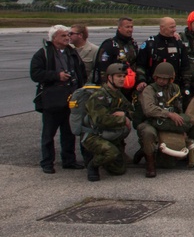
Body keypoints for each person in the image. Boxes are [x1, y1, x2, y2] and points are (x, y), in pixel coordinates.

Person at [30, 25, 86, 174]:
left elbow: (80, 70)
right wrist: (56, 76)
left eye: (68, 35)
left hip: (71, 97)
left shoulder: (71, 52)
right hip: (52, 99)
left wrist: (81, 89)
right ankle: (47, 162)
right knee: (49, 133)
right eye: (63, 36)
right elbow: (35, 74)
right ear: (54, 38)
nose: (67, 38)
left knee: (69, 132)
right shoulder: (43, 54)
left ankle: (69, 160)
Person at [136, 62, 191, 177]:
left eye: (165, 78)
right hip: (151, 121)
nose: (161, 81)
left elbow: (178, 109)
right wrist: (169, 114)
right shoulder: (149, 90)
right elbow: (149, 110)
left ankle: (151, 152)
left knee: (168, 164)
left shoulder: (175, 89)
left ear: (171, 79)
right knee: (148, 133)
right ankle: (150, 164)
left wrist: (182, 128)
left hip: (167, 122)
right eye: (159, 78)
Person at [82, 63, 133, 182]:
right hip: (94, 135)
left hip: (110, 133)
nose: (122, 79)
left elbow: (131, 110)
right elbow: (101, 120)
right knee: (112, 153)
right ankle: (93, 165)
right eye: (118, 76)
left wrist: (125, 114)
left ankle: (104, 156)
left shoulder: (118, 94)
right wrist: (123, 119)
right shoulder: (99, 96)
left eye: (123, 76)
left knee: (119, 170)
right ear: (110, 78)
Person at [93, 17, 144, 99]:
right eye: (127, 27)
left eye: (131, 27)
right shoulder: (109, 45)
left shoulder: (133, 44)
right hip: (115, 88)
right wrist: (108, 89)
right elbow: (102, 69)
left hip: (130, 87)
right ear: (119, 28)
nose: (130, 30)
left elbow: (136, 63)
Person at [136, 16, 190, 88]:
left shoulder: (178, 44)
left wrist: (186, 85)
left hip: (174, 87)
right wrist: (141, 81)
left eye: (175, 27)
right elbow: (140, 65)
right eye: (171, 27)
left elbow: (185, 66)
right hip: (153, 87)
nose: (174, 30)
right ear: (162, 27)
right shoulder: (150, 44)